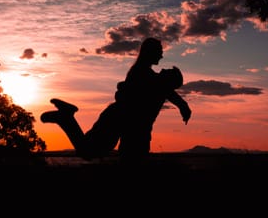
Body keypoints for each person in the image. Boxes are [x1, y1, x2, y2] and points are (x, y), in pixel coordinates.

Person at [40, 37, 192, 163]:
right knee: (88, 151)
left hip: (116, 119)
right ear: (151, 52)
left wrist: (182, 105)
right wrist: (182, 105)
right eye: (159, 52)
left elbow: (166, 90)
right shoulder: (147, 75)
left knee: (89, 150)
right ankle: (66, 118)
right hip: (116, 119)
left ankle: (66, 118)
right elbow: (165, 89)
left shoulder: (147, 75)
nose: (161, 56)